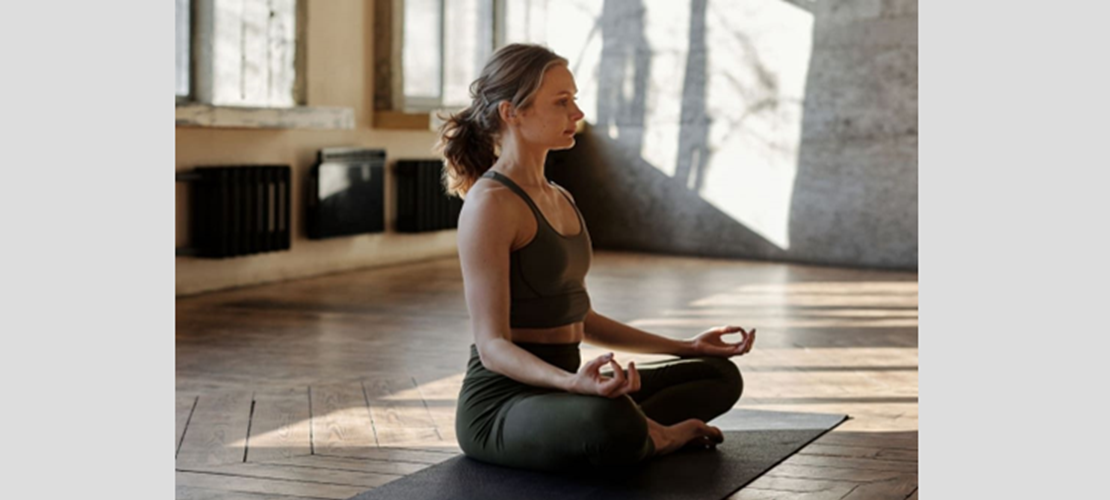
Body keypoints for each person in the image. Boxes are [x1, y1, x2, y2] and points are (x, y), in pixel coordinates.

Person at [435, 43, 756, 473]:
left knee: (717, 375)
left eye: (575, 99)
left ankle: (637, 428)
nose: (578, 113)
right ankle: (655, 436)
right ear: (513, 112)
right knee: (609, 420)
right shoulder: (490, 204)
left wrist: (687, 346)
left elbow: (579, 318)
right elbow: (493, 347)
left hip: (568, 391)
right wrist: (573, 384)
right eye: (562, 101)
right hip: (503, 405)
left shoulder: (559, 197)